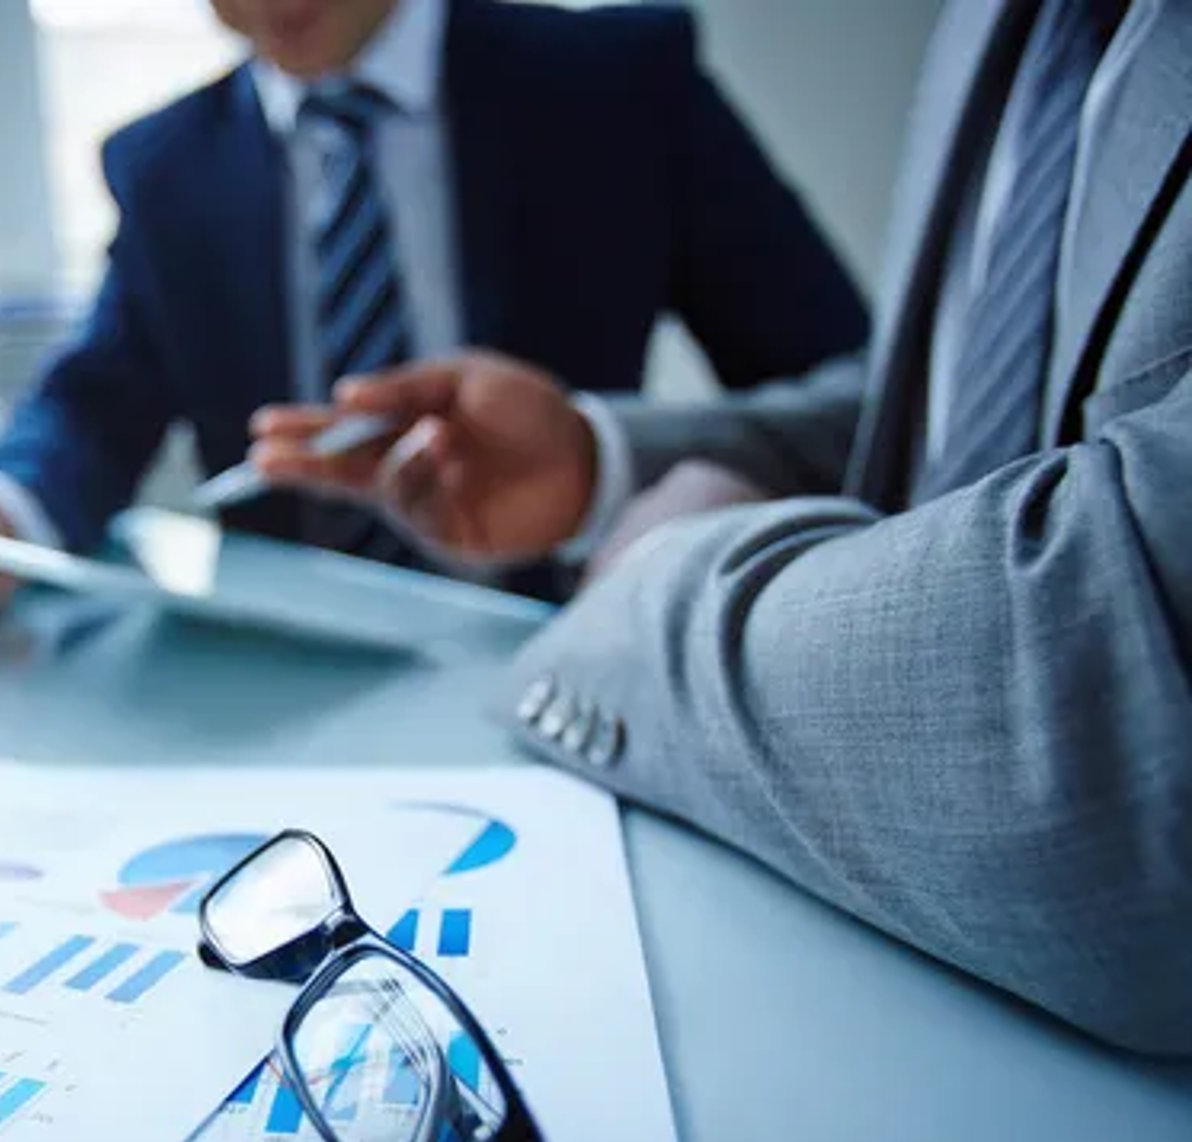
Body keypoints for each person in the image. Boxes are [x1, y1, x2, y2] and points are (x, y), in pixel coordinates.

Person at [253, 0, 1192, 1055]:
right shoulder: (994, 25)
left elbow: (1118, 705)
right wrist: (601, 465)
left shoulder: (614, 64)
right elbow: (932, 409)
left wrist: (641, 573)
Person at [0, 0, 869, 632]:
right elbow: (94, 401)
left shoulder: (617, 84)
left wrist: (614, 473)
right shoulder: (166, 167)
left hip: (576, 639)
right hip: (289, 683)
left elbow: (855, 392)